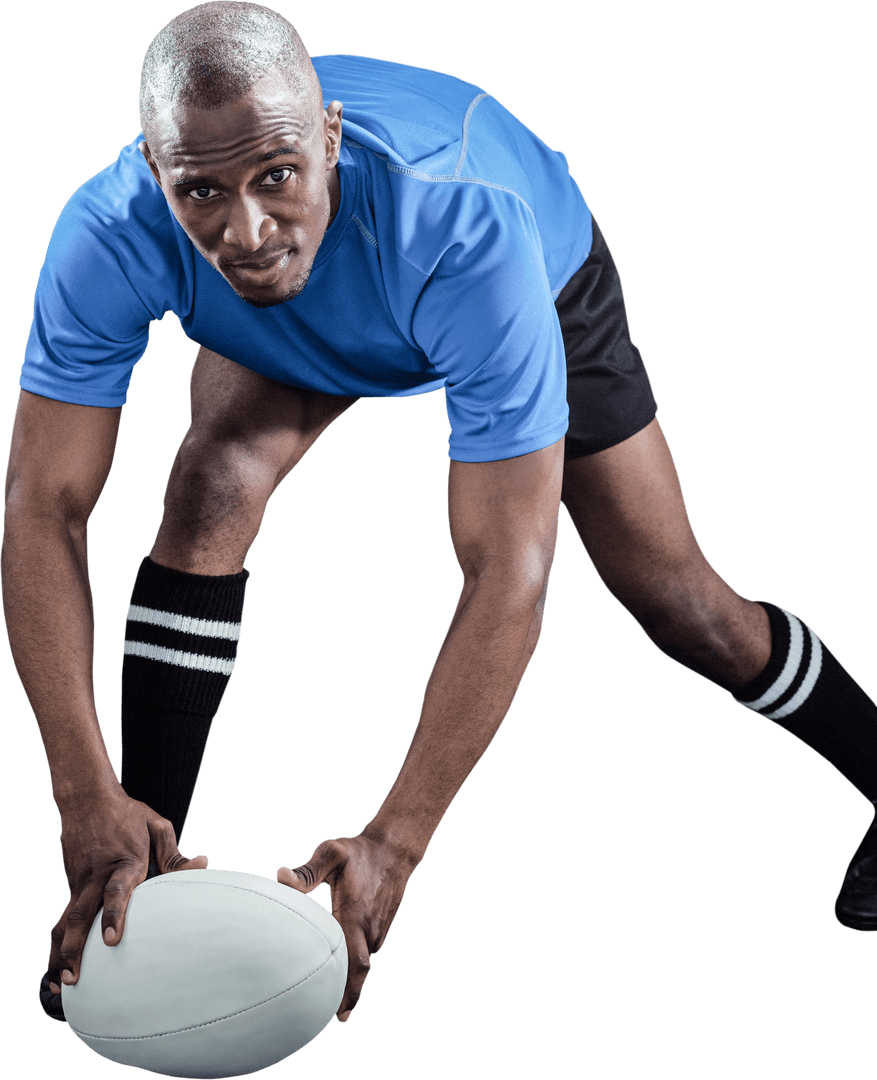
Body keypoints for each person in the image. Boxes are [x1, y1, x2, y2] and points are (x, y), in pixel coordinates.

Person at [3, 0, 875, 1030]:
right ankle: (135, 888)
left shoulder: (467, 225)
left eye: (276, 175)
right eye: (201, 190)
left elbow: (505, 569)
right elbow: (42, 509)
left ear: (326, 138)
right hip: (304, 315)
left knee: (678, 600)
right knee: (209, 485)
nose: (245, 230)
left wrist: (396, 838)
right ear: (155, 171)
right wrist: (84, 797)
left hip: (504, 285)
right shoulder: (112, 229)